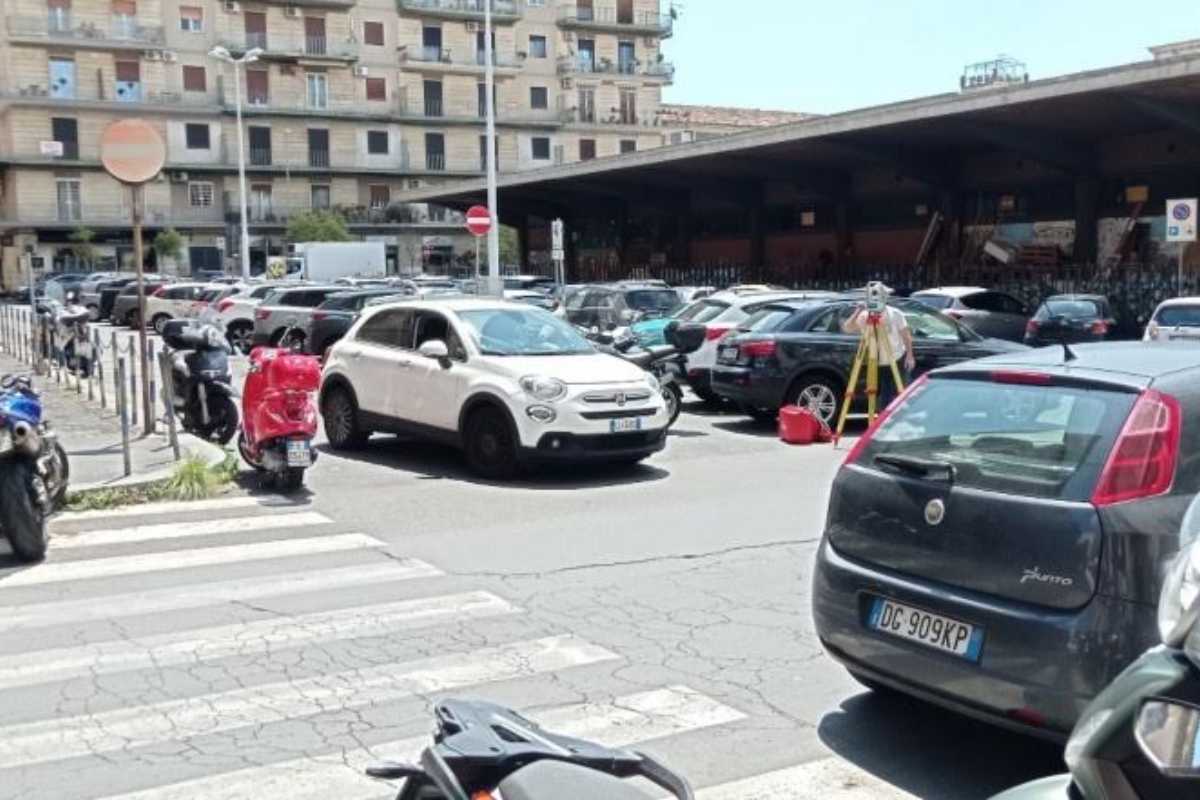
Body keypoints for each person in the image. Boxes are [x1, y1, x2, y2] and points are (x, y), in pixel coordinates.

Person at [841, 287, 915, 408]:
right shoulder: (865, 316)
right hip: (874, 361)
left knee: (896, 395)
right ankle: (880, 419)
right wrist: (858, 311)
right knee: (878, 395)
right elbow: (847, 328)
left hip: (895, 358)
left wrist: (910, 355)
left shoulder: (895, 314)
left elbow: (906, 335)